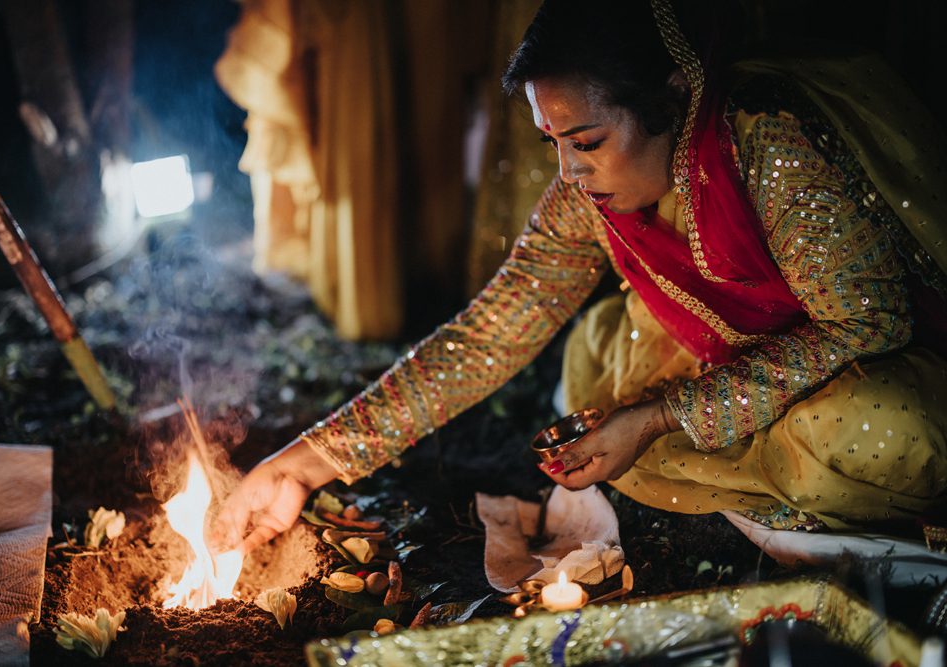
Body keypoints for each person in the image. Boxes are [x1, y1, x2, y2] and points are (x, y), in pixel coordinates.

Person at [215, 0, 947, 554]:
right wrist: (305, 463)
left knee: (877, 431)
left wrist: (663, 416)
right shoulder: (584, 199)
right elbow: (486, 337)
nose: (569, 171)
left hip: (862, 371)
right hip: (729, 372)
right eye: (552, 142)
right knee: (601, 400)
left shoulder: (766, 144)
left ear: (668, 96)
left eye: (588, 141)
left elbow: (870, 322)